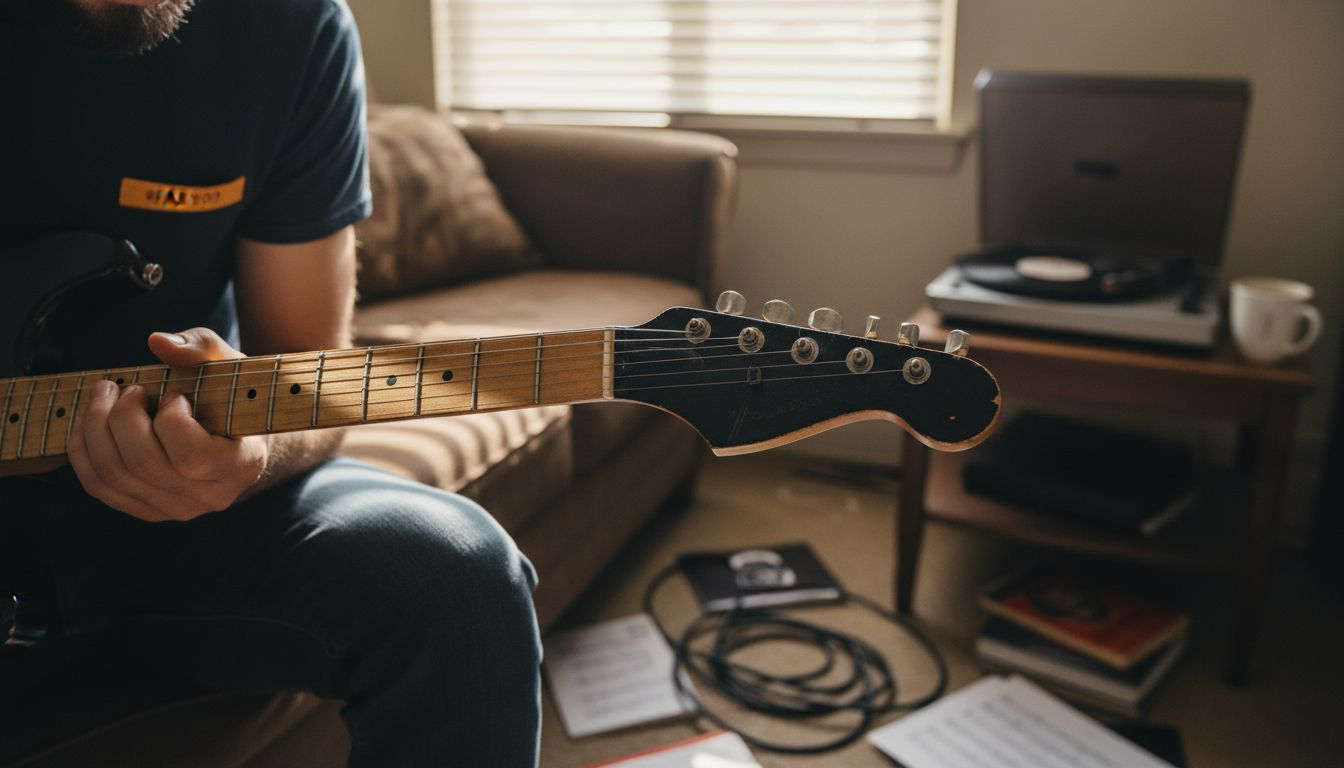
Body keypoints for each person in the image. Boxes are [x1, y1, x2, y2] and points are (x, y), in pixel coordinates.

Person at [0, 1, 543, 766]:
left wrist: (253, 448)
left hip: (175, 532)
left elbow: (307, 377)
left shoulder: (289, 26)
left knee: (457, 577)